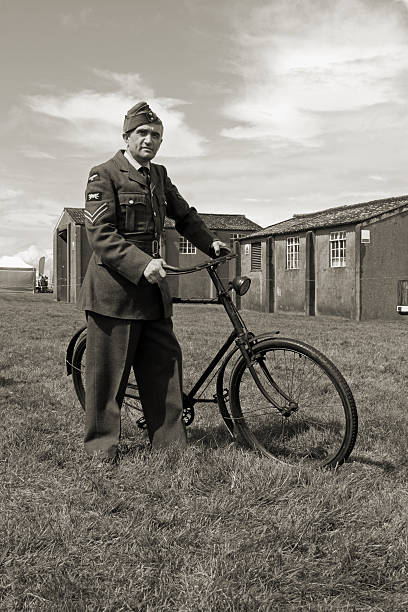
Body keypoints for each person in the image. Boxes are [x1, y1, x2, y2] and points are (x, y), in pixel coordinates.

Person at [79, 101, 228, 460]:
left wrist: (211, 243)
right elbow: (100, 233)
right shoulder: (104, 174)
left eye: (156, 135)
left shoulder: (159, 175)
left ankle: (169, 447)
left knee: (164, 369)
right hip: (114, 293)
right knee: (108, 378)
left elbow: (185, 215)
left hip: (153, 295)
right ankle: (102, 449)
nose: (149, 140)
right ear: (126, 136)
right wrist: (141, 263)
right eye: (142, 133)